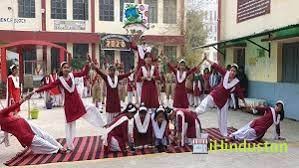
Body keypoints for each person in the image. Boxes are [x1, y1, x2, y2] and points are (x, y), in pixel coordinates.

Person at [35, 56, 106, 151]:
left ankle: (103, 124)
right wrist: (36, 91)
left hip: (78, 103)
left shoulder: (73, 75)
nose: (66, 69)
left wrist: (88, 63)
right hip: (69, 106)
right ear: (61, 69)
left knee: (92, 108)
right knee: (70, 126)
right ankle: (70, 146)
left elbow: (84, 73)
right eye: (64, 67)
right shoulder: (59, 80)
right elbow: (48, 86)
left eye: (67, 67)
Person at [195, 56, 247, 137]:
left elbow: (239, 92)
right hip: (215, 95)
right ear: (229, 71)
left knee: (223, 119)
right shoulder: (225, 73)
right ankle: (192, 114)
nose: (232, 72)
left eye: (234, 71)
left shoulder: (236, 82)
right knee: (203, 106)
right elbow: (216, 66)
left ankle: (224, 134)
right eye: (232, 70)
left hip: (223, 101)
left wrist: (244, 102)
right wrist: (206, 59)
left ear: (236, 73)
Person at [0, 93, 66, 154]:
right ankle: (57, 149)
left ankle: (59, 146)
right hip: (22, 134)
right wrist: (22, 143)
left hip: (25, 123)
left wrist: (24, 99)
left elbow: (12, 107)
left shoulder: (1, 113)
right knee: (40, 142)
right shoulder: (2, 126)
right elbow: (14, 132)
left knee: (44, 134)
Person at [3, 64, 22, 146]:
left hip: (17, 98)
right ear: (12, 70)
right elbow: (10, 89)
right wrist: (12, 99)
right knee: (10, 116)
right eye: (15, 70)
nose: (17, 71)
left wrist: (20, 96)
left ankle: (14, 129)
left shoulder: (17, 78)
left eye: (17, 69)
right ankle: (7, 134)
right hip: (13, 99)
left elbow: (18, 89)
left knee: (16, 115)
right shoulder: (10, 77)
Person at [131, 35, 152, 105]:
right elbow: (132, 46)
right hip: (140, 69)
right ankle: (140, 101)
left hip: (148, 69)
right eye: (142, 39)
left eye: (144, 39)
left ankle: (148, 100)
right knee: (138, 85)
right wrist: (131, 39)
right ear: (140, 41)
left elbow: (153, 58)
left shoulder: (149, 48)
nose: (143, 41)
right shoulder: (139, 47)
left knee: (148, 85)